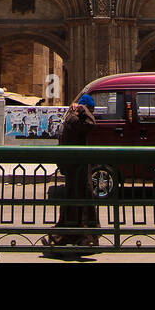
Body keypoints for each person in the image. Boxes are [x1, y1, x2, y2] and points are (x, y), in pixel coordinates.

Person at [50, 95, 99, 254]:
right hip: (76, 169)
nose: (92, 113)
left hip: (77, 168)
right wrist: (83, 110)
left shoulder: (72, 119)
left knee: (77, 200)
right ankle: (75, 236)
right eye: (90, 109)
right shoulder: (74, 121)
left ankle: (76, 236)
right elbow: (91, 124)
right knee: (78, 201)